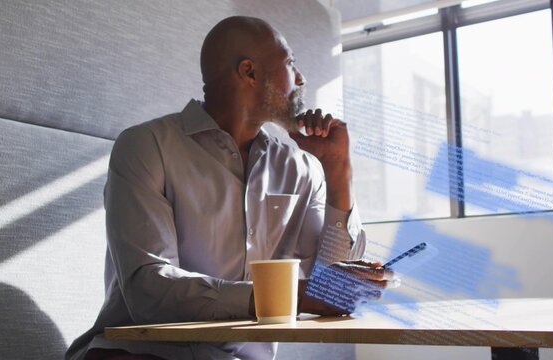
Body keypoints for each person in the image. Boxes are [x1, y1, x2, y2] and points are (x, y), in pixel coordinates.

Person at [66, 16, 391, 360]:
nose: (300, 78)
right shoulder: (146, 147)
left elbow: (331, 289)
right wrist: (286, 298)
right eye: (290, 62)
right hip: (138, 353)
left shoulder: (302, 168)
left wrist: (338, 172)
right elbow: (150, 289)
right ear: (249, 72)